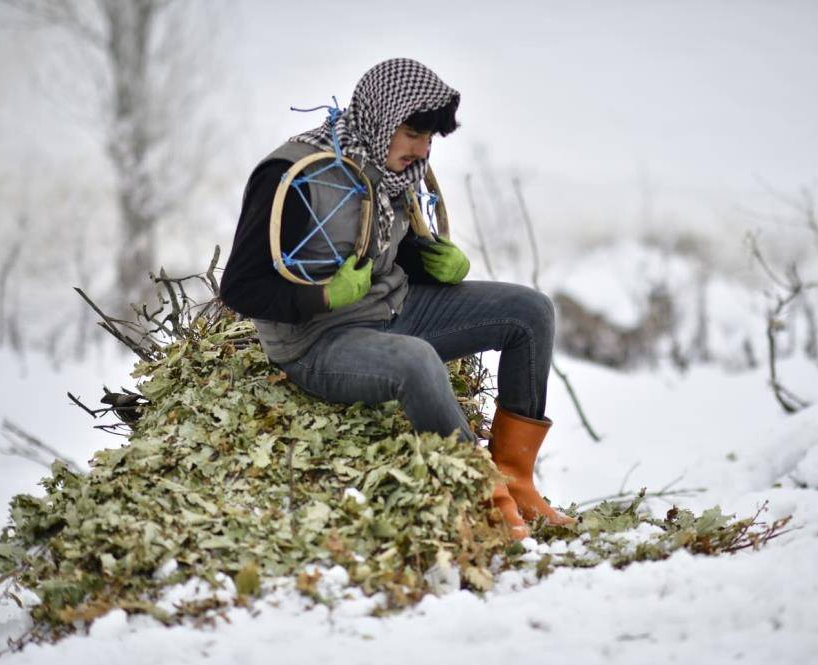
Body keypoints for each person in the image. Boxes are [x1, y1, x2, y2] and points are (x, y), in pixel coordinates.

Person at [220, 58, 573, 539]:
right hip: (318, 341)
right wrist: (323, 297)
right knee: (416, 360)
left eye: (430, 138)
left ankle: (517, 481)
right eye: (413, 133)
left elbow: (389, 254)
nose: (422, 149)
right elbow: (240, 287)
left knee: (531, 312)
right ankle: (485, 497)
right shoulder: (295, 176)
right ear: (382, 119)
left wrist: (433, 262)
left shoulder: (396, 170)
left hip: (394, 309)